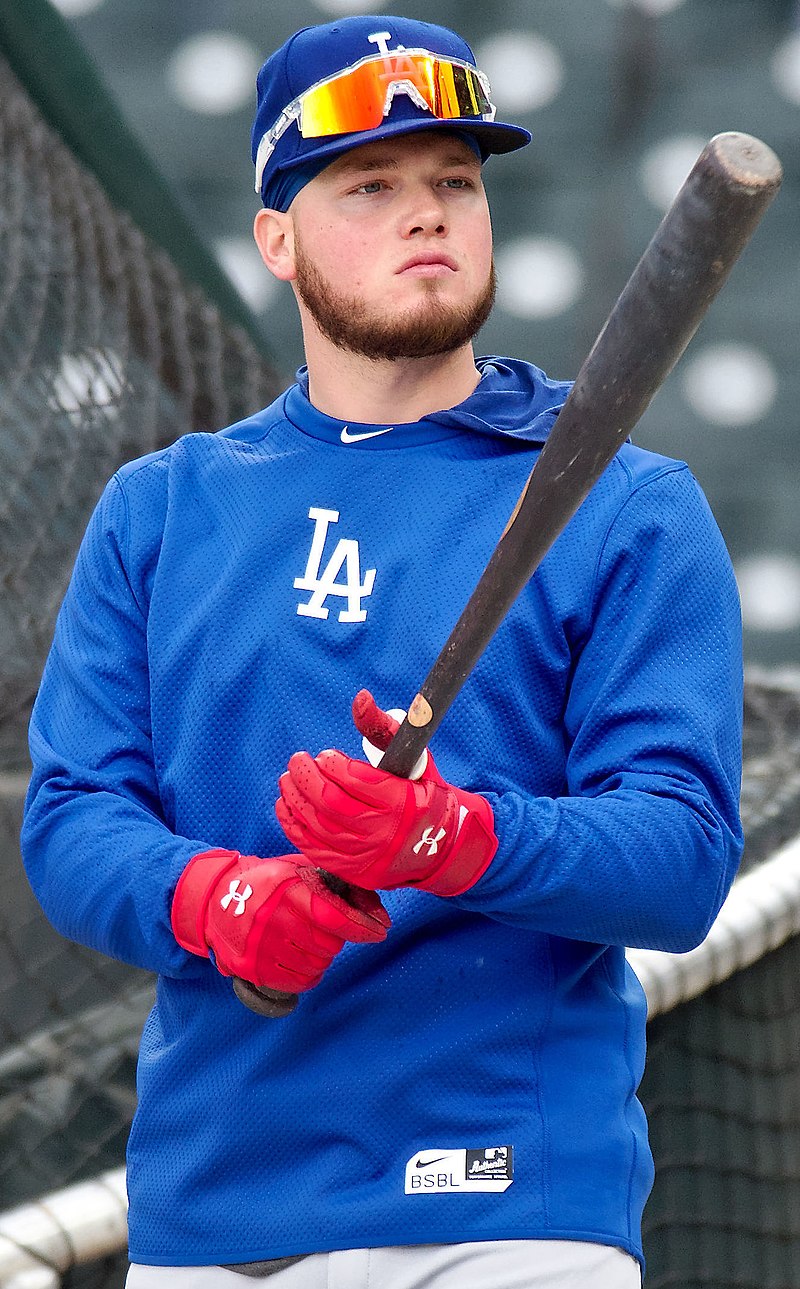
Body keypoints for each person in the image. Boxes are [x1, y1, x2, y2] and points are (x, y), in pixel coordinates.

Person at [21, 13, 744, 1289]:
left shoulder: (620, 499)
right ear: (276, 239)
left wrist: (449, 837)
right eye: (369, 186)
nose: (427, 215)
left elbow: (679, 857)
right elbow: (75, 822)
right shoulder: (162, 504)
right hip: (212, 1212)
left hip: (507, 1209)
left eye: (453, 183)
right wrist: (222, 900)